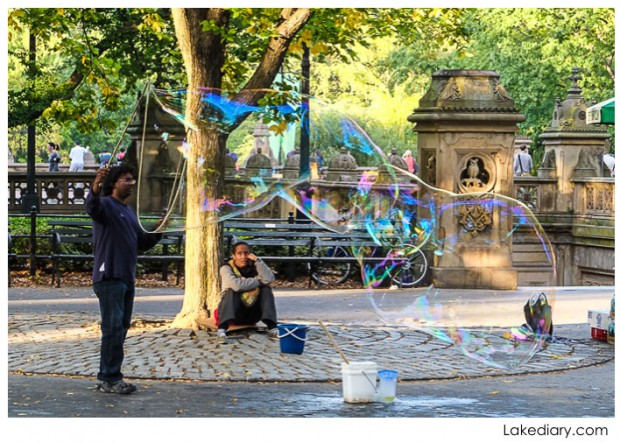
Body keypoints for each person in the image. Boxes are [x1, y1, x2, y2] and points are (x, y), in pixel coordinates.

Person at [86, 164, 166, 394]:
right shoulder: (105, 206)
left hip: (126, 276)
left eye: (132, 180)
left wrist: (158, 229)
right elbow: (91, 207)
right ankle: (111, 378)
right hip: (109, 274)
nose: (131, 183)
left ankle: (107, 376)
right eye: (126, 179)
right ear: (114, 183)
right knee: (112, 327)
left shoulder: (129, 211)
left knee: (120, 328)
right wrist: (95, 186)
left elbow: (141, 242)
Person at [217, 241, 278, 344]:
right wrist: (259, 281)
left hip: (252, 314)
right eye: (239, 254)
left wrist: (258, 261)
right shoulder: (226, 268)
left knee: (266, 289)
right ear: (234, 256)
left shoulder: (255, 265)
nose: (243, 257)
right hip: (233, 313)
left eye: (246, 253)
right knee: (232, 291)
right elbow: (237, 285)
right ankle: (222, 330)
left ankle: (272, 328)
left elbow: (269, 278)